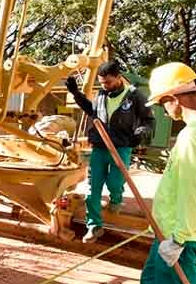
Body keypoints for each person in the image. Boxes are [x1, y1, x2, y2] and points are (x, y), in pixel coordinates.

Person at [130, 62, 196, 284]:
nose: (163, 110)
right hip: (167, 232)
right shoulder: (188, 132)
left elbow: (192, 193)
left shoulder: (192, 136)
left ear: (175, 98)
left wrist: (180, 239)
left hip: (182, 238)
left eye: (162, 103)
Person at [66, 60, 154, 242]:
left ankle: (116, 199)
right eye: (102, 83)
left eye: (108, 82)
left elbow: (149, 121)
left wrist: (140, 133)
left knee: (115, 182)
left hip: (121, 147)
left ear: (119, 78)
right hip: (99, 147)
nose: (104, 86)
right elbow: (91, 110)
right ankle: (94, 226)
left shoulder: (135, 96)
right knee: (94, 188)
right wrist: (76, 93)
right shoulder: (101, 94)